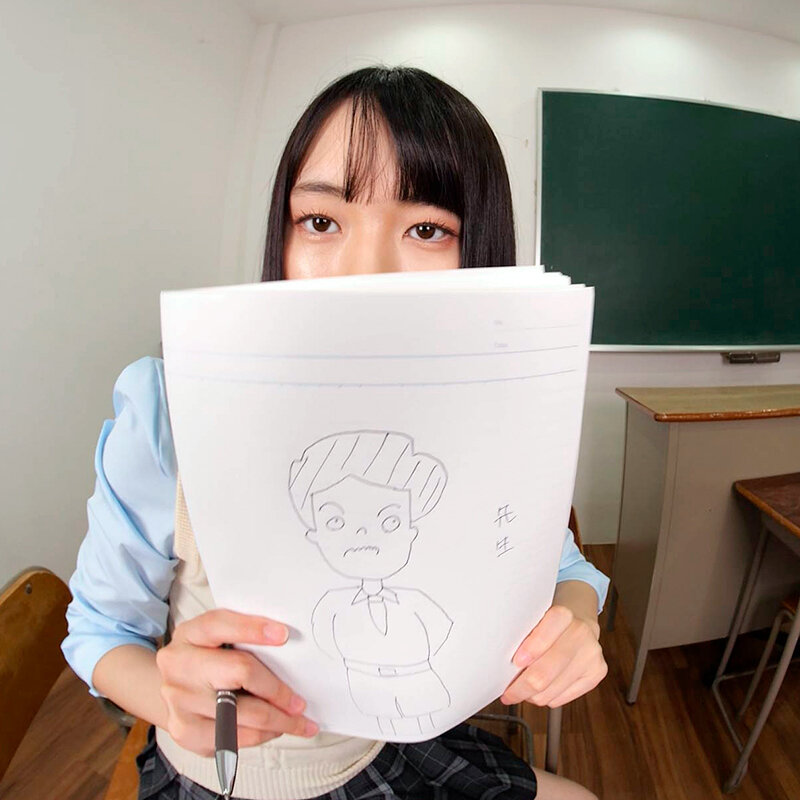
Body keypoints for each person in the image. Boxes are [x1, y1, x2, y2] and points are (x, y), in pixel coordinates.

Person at [63, 66, 610, 800]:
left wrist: (575, 619)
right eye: (321, 222)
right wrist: (172, 699)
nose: (363, 273)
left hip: (391, 745)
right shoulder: (167, 408)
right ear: (283, 235)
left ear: (478, 250)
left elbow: (564, 566)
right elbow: (99, 633)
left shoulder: (488, 412)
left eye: (426, 229)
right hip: (228, 777)